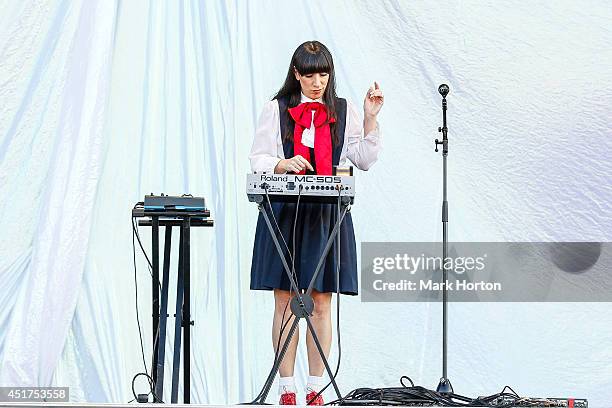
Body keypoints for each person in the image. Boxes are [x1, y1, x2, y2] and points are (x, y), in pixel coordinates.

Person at [249, 40, 384, 405]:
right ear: (296, 74)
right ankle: (286, 388)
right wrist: (282, 164)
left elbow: (364, 158)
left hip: (327, 215)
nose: (317, 82)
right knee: (286, 300)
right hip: (285, 213)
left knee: (321, 301)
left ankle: (314, 388)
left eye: (323, 74)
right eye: (309, 75)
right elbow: (258, 158)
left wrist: (371, 118)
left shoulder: (344, 109)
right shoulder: (275, 109)